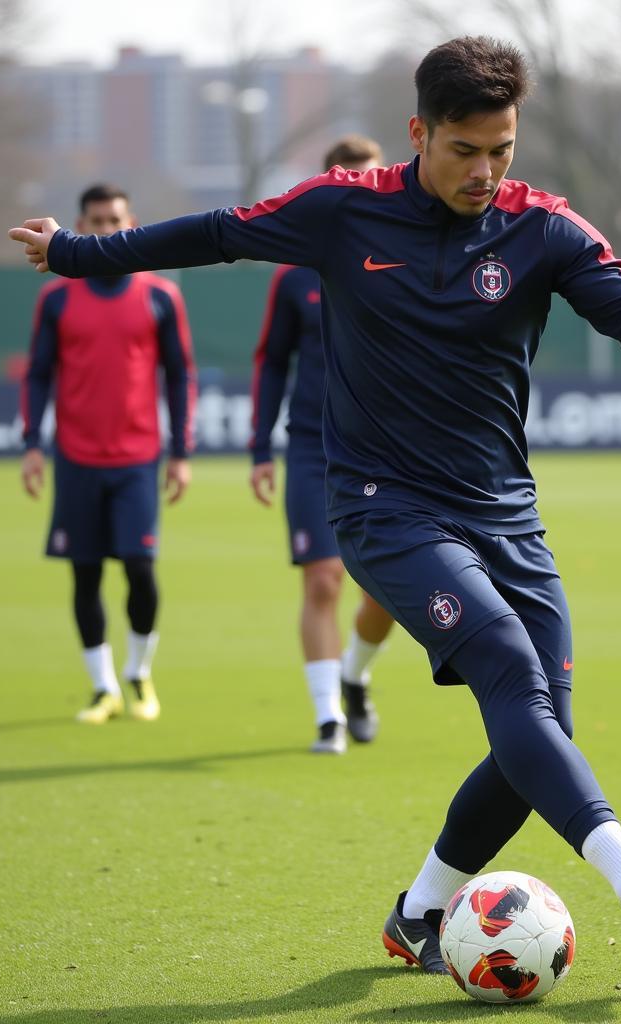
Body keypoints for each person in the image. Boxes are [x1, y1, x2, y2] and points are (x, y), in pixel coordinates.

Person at [10, 36, 621, 963]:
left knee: (542, 732)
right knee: (511, 670)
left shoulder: (546, 227)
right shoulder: (342, 212)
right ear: (419, 132)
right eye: (465, 148)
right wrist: (76, 252)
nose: (485, 170)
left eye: (502, 149)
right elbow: (217, 232)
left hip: (506, 513)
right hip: (385, 507)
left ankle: (418, 915)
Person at [20, 183, 196, 725]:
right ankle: (102, 688)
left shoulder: (160, 295)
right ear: (80, 224)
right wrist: (32, 446)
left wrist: (180, 451)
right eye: (95, 221)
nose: (105, 230)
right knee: (85, 574)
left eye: (114, 220)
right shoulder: (56, 297)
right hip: (75, 458)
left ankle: (139, 672)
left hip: (138, 458)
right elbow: (39, 374)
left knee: (141, 570)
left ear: (131, 221)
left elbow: (179, 374)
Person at [249, 135, 396, 755]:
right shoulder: (292, 274)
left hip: (392, 451)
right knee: (321, 583)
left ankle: (355, 674)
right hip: (313, 446)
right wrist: (259, 448)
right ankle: (328, 716)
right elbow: (272, 362)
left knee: (387, 592)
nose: (358, 189)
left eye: (370, 178)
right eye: (346, 179)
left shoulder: (410, 261)